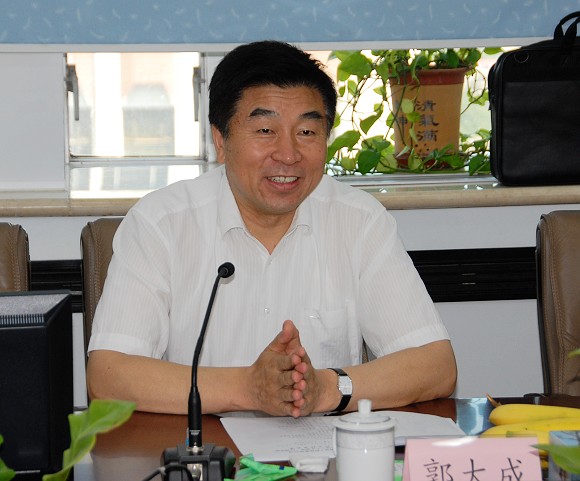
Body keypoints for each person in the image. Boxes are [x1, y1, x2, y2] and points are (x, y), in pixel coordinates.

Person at [87, 40, 457, 418]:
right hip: (205, 448)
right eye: (265, 130)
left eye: (307, 132)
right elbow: (109, 375)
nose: (288, 154)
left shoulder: (359, 221)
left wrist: (326, 388)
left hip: (321, 449)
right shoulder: (160, 223)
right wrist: (248, 388)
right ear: (220, 140)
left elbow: (435, 365)